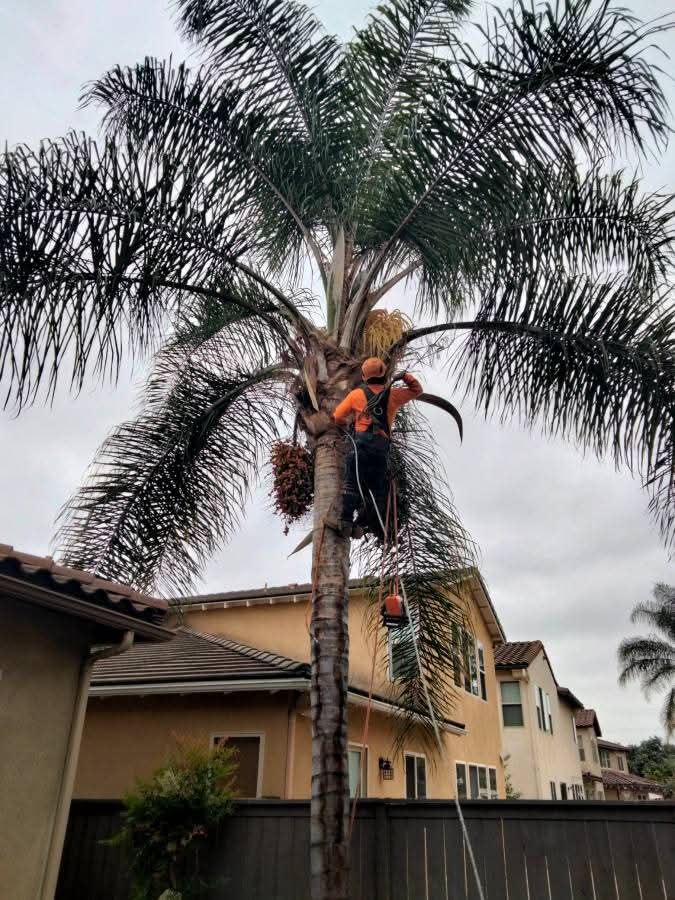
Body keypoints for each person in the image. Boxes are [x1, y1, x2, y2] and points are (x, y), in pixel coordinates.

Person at [332, 357, 422, 538]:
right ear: (384, 375)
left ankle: (345, 522)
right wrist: (405, 376)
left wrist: (350, 422)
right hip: (380, 450)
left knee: (351, 483)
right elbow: (417, 390)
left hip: (360, 447)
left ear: (364, 377)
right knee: (377, 491)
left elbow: (338, 417)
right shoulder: (394, 395)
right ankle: (361, 524)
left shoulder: (356, 395)